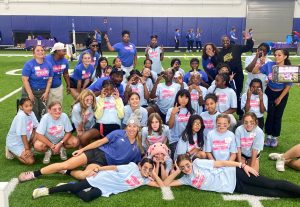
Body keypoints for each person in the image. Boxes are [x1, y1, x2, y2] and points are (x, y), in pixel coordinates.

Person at [18, 115, 143, 182]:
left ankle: (66, 172)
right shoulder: (118, 133)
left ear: (138, 129)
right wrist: (82, 150)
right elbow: (99, 142)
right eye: (129, 126)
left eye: (134, 127)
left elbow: (137, 165)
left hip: (102, 164)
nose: (131, 129)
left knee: (84, 176)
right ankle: (34, 174)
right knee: (64, 164)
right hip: (96, 153)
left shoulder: (137, 149)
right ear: (126, 127)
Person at [164, 154, 300, 198]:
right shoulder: (186, 180)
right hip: (234, 187)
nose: (187, 169)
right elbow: (166, 183)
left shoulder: (198, 163)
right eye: (183, 168)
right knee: (269, 193)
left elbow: (221, 163)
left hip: (236, 174)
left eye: (188, 165)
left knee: (271, 184)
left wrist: (242, 165)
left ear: (191, 162)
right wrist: (176, 172)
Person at [32, 158, 164, 202]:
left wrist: (154, 172)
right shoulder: (132, 167)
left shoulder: (145, 180)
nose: (146, 171)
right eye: (145, 168)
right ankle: (46, 190)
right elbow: (114, 167)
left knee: (87, 197)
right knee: (76, 188)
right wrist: (98, 169)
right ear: (140, 166)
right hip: (102, 178)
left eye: (149, 169)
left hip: (107, 189)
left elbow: (161, 185)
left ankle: (69, 186)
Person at [250, 49, 292, 148]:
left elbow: (288, 86)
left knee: (278, 115)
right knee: (270, 114)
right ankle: (268, 136)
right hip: (269, 92)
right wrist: (260, 63)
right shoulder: (269, 65)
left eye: (279, 55)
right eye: (275, 55)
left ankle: (275, 137)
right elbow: (254, 71)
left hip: (282, 94)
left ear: (285, 56)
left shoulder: (288, 68)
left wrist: (280, 98)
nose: (276, 57)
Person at [218, 33, 254, 120]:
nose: (225, 42)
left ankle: (240, 112)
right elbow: (219, 65)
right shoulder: (220, 53)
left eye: (227, 40)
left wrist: (249, 39)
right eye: (223, 41)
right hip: (226, 77)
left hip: (238, 76)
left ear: (229, 41)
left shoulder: (236, 47)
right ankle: (227, 111)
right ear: (221, 42)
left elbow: (248, 47)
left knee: (238, 94)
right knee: (228, 94)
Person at [79, 80, 124, 146]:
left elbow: (121, 116)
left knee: (114, 145)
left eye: (111, 89)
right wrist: (102, 99)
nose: (108, 92)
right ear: (102, 89)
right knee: (84, 138)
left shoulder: (118, 99)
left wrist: (117, 100)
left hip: (114, 126)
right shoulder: (97, 99)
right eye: (106, 89)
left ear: (114, 89)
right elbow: (97, 116)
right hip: (100, 126)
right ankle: (87, 153)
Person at [21, 45, 53, 121]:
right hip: (31, 91)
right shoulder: (29, 64)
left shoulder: (49, 64)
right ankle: (32, 130)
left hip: (43, 92)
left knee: (43, 112)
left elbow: (50, 80)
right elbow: (25, 80)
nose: (40, 52)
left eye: (42, 50)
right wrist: (30, 94)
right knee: (32, 112)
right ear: (34, 54)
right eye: (37, 50)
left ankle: (41, 130)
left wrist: (46, 93)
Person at [5, 98, 38, 165]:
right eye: (26, 106)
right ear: (21, 107)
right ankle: (11, 150)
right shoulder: (21, 116)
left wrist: (34, 141)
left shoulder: (32, 113)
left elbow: (36, 127)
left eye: (30, 105)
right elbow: (23, 135)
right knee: (30, 161)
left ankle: (28, 148)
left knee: (37, 132)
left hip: (26, 140)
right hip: (15, 143)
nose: (29, 108)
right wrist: (27, 149)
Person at [166, 89, 195, 159]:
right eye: (181, 97)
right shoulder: (171, 110)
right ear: (177, 97)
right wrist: (173, 113)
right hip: (175, 140)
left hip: (187, 139)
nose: (183, 99)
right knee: (178, 159)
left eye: (186, 97)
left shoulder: (192, 112)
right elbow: (170, 126)